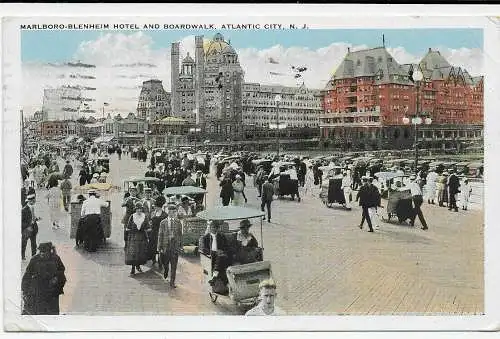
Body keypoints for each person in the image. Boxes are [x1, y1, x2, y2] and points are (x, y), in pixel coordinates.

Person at [21, 242, 66, 315]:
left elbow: (62, 271)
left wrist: (57, 279)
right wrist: (24, 290)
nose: (42, 254)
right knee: (39, 311)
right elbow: (27, 275)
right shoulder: (35, 259)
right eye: (41, 251)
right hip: (38, 289)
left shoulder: (56, 258)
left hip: (52, 290)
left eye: (44, 252)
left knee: (52, 312)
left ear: (49, 251)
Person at [157, 202, 183, 287]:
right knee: (165, 262)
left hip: (174, 247)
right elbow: (160, 235)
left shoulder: (178, 222)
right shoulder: (163, 222)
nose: (173, 213)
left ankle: (172, 282)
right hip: (165, 246)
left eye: (174, 211)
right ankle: (166, 269)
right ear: (168, 212)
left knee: (174, 265)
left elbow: (180, 235)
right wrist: (159, 247)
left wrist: (180, 246)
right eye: (171, 211)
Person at [201, 220, 230, 287]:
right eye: (213, 227)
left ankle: (214, 277)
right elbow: (204, 249)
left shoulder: (222, 236)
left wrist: (222, 251)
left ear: (218, 228)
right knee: (219, 257)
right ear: (210, 228)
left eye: (216, 227)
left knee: (221, 257)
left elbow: (227, 247)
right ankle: (215, 276)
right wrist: (214, 252)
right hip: (211, 256)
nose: (214, 229)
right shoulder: (206, 237)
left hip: (222, 256)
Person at [125, 202, 151, 276]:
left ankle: (138, 266)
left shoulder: (144, 216)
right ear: (135, 209)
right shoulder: (132, 216)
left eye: (140, 209)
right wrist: (132, 229)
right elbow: (127, 228)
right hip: (133, 236)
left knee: (140, 252)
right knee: (134, 252)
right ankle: (133, 268)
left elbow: (148, 227)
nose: (139, 211)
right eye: (137, 209)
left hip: (142, 237)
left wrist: (146, 229)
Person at [149, 196, 167, 266]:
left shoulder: (165, 214)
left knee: (160, 247)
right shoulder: (153, 213)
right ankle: (153, 259)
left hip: (161, 233)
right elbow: (150, 222)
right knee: (153, 247)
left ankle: (160, 261)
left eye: (155, 206)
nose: (154, 208)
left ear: (159, 207)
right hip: (153, 232)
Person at [22, 195, 38, 260]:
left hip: (34, 227)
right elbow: (21, 221)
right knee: (24, 243)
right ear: (30, 201)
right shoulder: (24, 210)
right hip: (27, 229)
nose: (35, 201)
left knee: (34, 243)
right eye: (34, 201)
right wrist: (27, 227)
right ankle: (22, 256)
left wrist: (36, 219)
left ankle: (33, 256)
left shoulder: (33, 207)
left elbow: (32, 217)